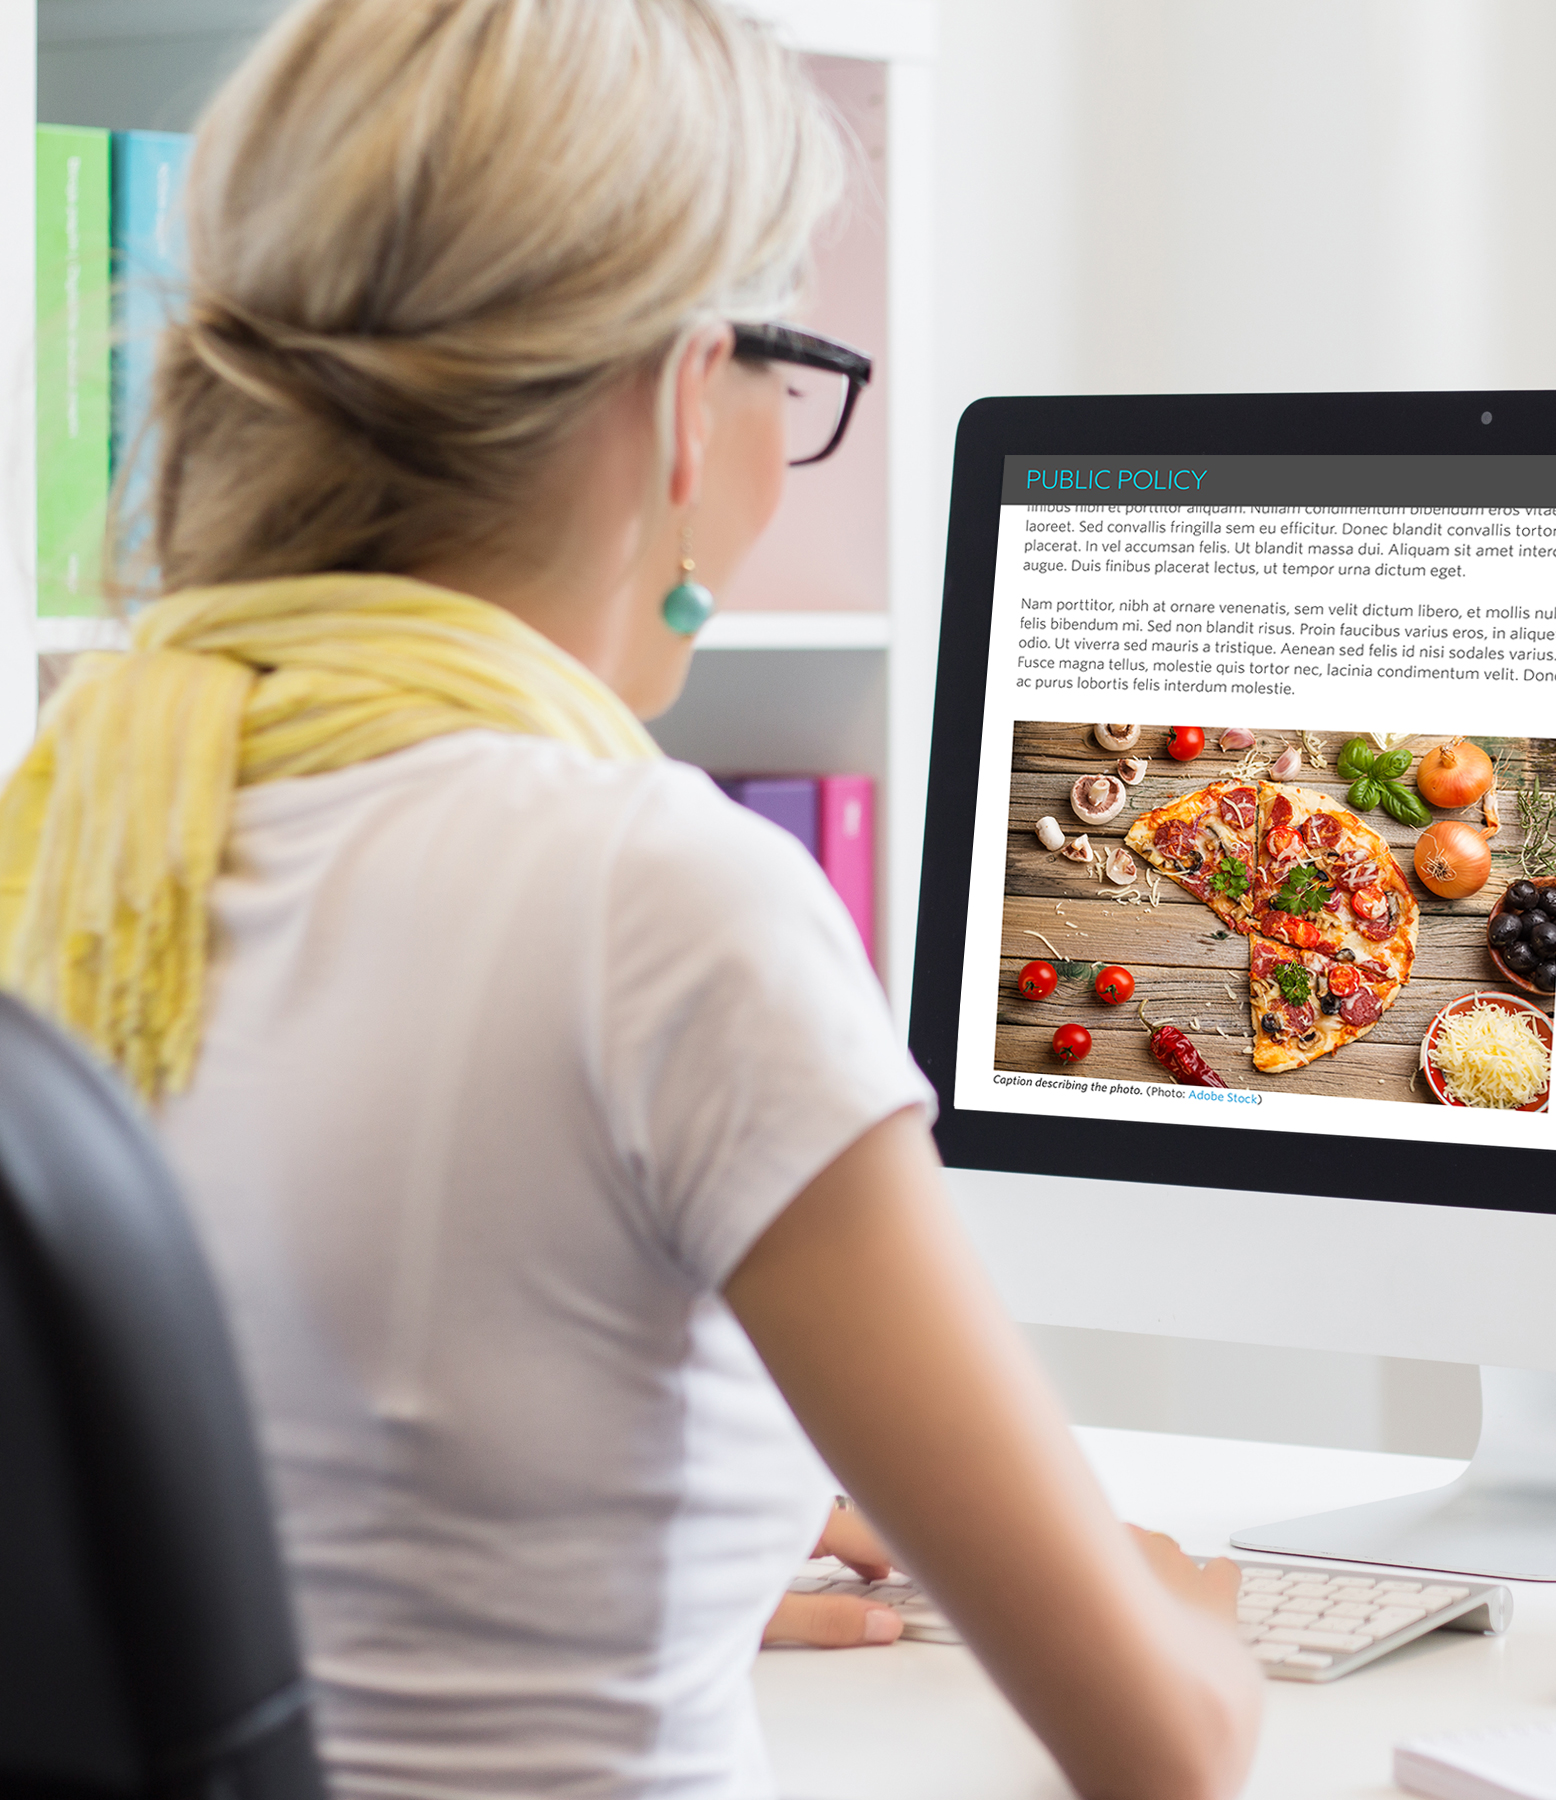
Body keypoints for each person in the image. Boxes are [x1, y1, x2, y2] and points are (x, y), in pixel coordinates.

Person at [0, 3, 1261, 1797]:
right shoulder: (657, 900)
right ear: (686, 393)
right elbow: (1167, 1749)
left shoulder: (82, 825)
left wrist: (665, 1555)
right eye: (794, 368)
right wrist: (1201, 1624)